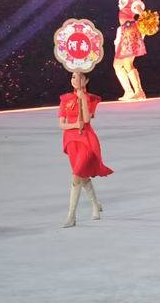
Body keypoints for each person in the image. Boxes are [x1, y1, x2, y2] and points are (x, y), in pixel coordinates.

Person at [59, 72, 112, 228]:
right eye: (73, 77)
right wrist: (74, 125)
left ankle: (71, 216)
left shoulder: (89, 98)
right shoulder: (65, 99)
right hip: (71, 141)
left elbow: (87, 119)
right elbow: (61, 124)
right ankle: (95, 204)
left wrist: (82, 98)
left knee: (76, 176)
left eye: (79, 77)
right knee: (82, 177)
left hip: (86, 141)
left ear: (86, 80)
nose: (75, 80)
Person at [107, 0, 147, 100]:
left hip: (131, 33)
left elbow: (143, 14)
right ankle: (129, 91)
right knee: (117, 65)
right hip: (124, 32)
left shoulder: (135, 0)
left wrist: (145, 23)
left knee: (127, 63)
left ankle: (139, 91)